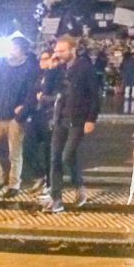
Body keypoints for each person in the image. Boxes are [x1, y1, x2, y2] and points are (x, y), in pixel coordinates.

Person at [43, 35, 101, 214]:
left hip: (78, 119)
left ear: (72, 50)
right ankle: (56, 199)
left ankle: (79, 186)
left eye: (61, 51)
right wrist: (51, 69)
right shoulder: (58, 69)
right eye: (56, 51)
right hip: (60, 117)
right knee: (54, 158)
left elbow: (95, 95)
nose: (58, 54)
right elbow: (47, 91)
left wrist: (91, 119)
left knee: (67, 156)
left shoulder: (85, 68)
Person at [0, 35, 38, 198]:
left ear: (22, 51)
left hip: (15, 117)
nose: (10, 51)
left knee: (14, 153)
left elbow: (31, 93)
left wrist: (22, 111)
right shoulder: (2, 65)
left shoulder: (30, 68)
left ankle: (14, 184)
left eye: (13, 48)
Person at [22, 49, 61, 198]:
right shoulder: (38, 76)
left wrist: (43, 97)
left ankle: (50, 185)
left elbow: (56, 95)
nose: (43, 62)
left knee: (48, 153)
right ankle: (40, 176)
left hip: (50, 116)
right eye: (41, 59)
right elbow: (32, 95)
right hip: (36, 116)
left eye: (46, 59)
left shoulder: (57, 75)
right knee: (27, 148)